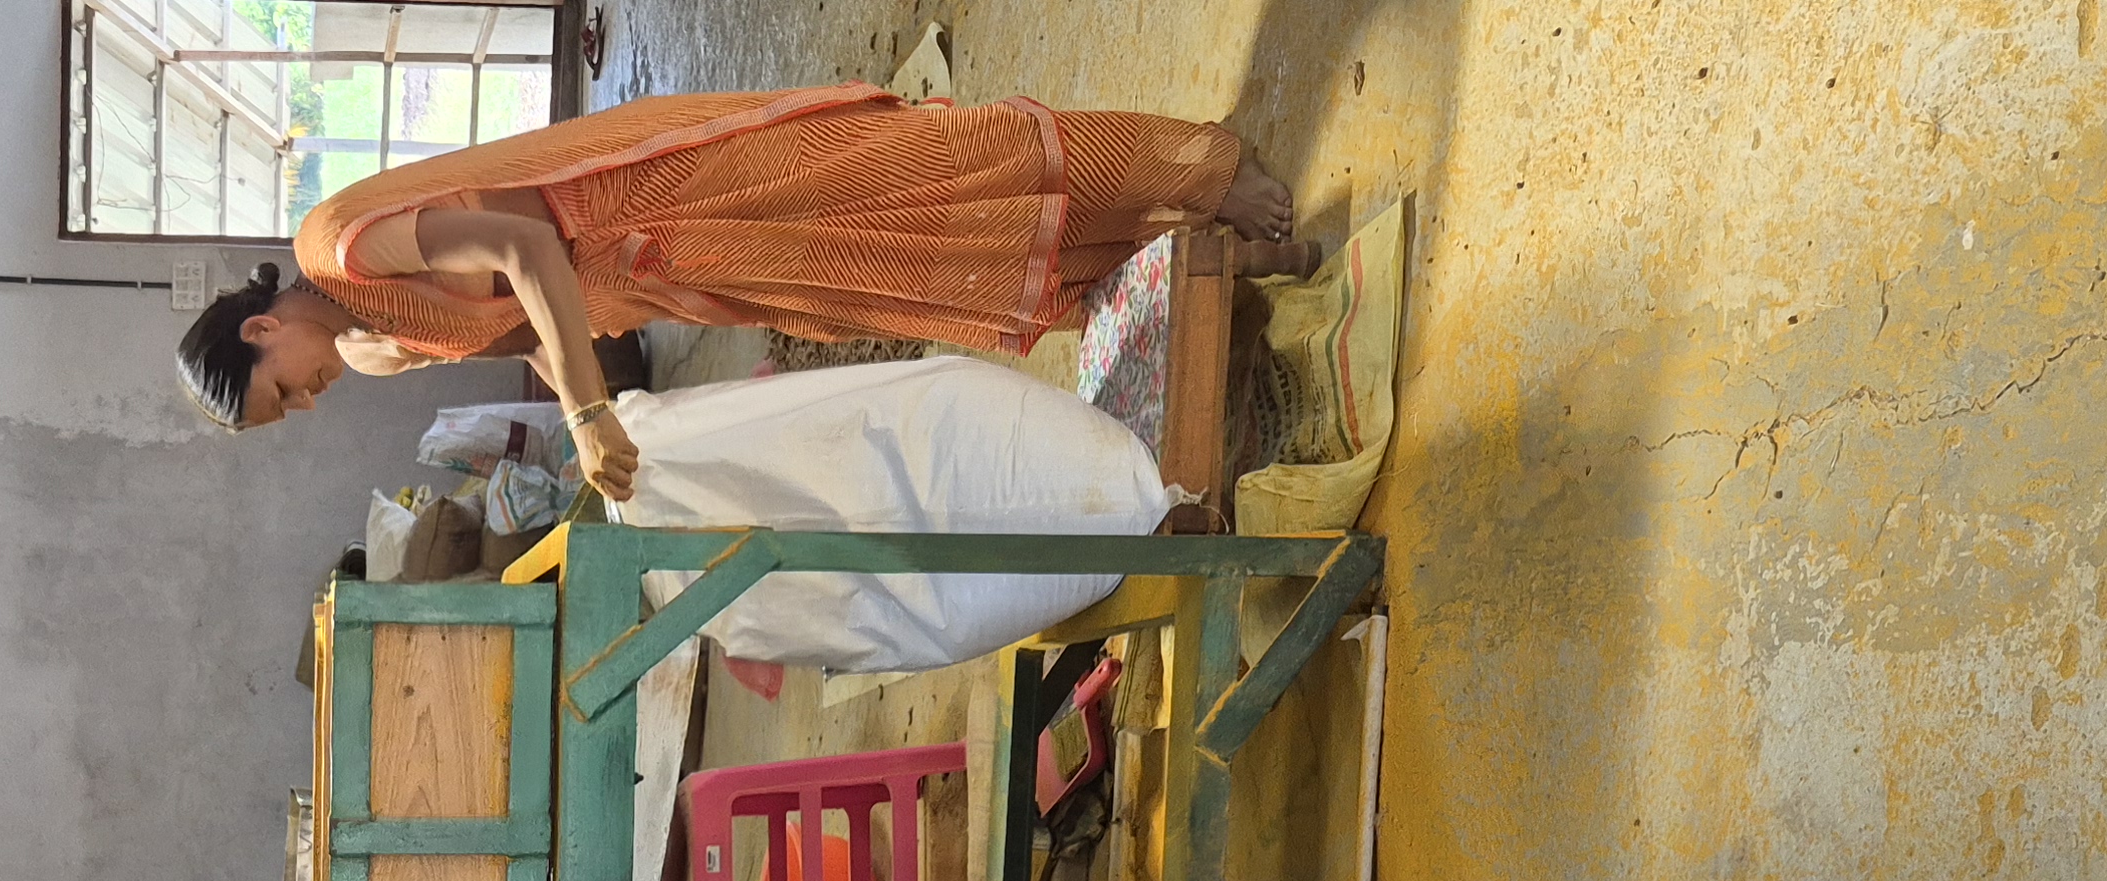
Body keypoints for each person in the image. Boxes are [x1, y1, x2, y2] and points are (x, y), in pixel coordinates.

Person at [170, 86, 1293, 501]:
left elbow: (523, 244)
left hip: (664, 191)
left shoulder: (341, 248)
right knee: (893, 273)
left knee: (924, 174)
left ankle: (1195, 171)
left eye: (286, 392)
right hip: (678, 273)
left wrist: (587, 411)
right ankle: (1172, 254)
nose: (313, 401)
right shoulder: (370, 344)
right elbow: (540, 324)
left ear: (263, 329)